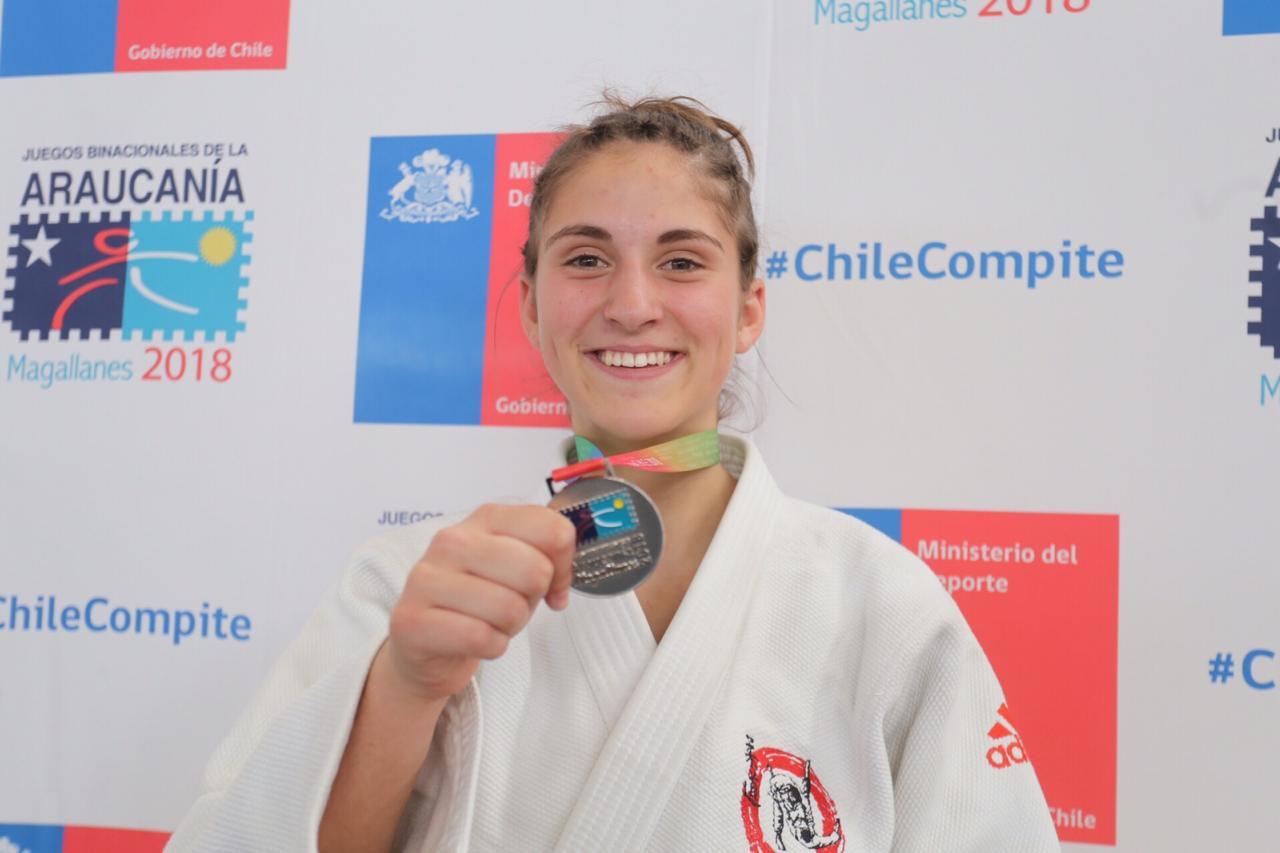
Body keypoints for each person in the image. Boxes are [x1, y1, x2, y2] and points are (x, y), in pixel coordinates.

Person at [167, 95, 1061, 853]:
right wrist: (403, 686)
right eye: (587, 258)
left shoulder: (882, 605)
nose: (632, 305)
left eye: (682, 262)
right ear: (531, 306)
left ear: (749, 308)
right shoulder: (410, 588)